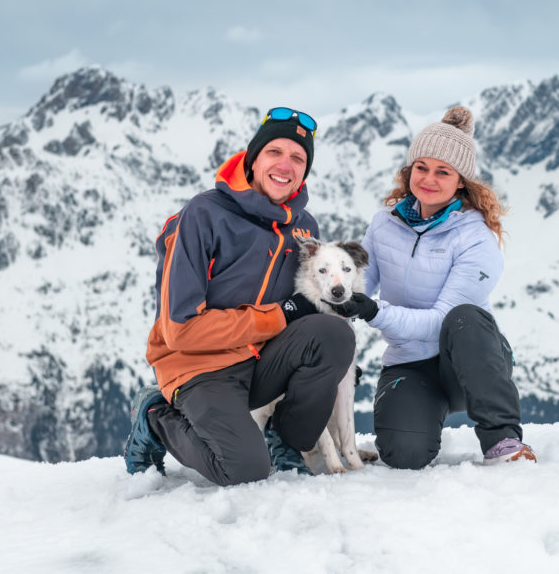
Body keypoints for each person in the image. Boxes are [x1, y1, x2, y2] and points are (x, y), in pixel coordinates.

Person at [124, 107, 356, 486]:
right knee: (244, 469)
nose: (286, 164)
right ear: (253, 158)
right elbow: (181, 330)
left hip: (262, 360)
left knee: (335, 336)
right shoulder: (204, 215)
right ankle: (154, 416)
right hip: (198, 366)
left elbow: (306, 307)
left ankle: (285, 440)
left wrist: (339, 308)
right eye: (274, 152)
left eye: (298, 157)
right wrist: (278, 316)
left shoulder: (304, 229)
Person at [328, 106, 535, 469]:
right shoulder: (383, 225)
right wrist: (332, 334)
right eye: (421, 168)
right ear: (409, 171)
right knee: (403, 455)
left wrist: (375, 311)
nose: (429, 179)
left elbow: (441, 321)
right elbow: (356, 288)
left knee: (464, 317)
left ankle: (503, 440)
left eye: (443, 172)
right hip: (410, 364)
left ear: (461, 182)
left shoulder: (476, 238)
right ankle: (418, 417)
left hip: (469, 360)